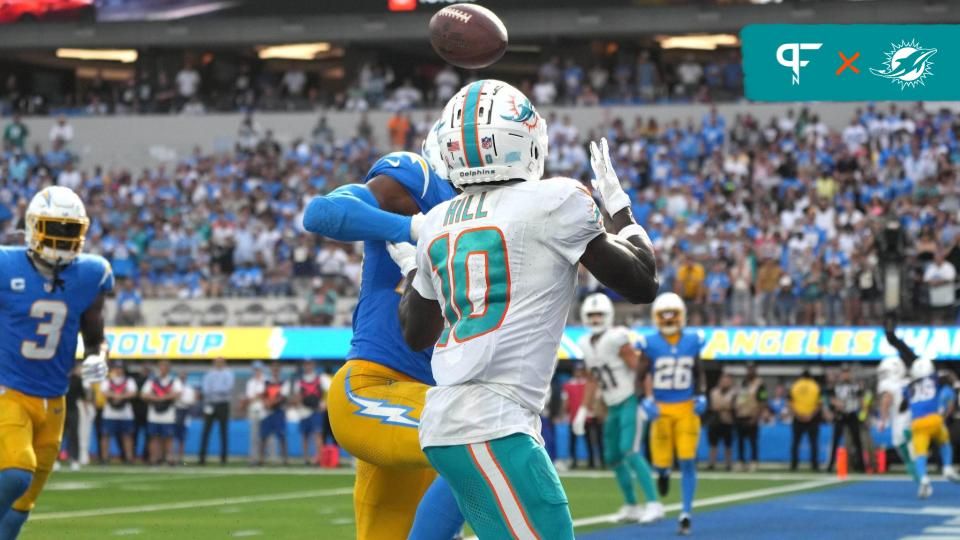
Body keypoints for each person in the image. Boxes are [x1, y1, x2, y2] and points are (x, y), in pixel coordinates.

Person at [394, 80, 658, 539]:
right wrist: (619, 209)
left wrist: (416, 270)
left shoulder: (436, 221)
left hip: (447, 425)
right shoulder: (554, 200)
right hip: (494, 422)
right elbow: (642, 282)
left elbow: (415, 332)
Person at [302, 111, 463, 538]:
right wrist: (412, 227)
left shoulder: (503, 215)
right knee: (475, 449)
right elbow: (322, 213)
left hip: (433, 395)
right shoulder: (419, 183)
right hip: (375, 386)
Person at [0, 186, 112, 539]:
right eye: (54, 228)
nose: (63, 238)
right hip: (9, 390)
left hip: (55, 399)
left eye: (70, 230)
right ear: (35, 227)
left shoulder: (90, 274)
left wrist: (99, 357)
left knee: (22, 505)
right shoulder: (6, 265)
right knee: (17, 473)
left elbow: (95, 338)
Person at [574, 293, 663, 524]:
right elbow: (593, 379)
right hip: (611, 405)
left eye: (599, 315)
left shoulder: (617, 338)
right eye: (591, 315)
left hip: (629, 400)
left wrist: (650, 398)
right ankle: (632, 505)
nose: (595, 319)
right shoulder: (584, 342)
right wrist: (584, 409)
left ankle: (654, 503)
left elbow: (639, 368)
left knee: (629, 450)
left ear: (608, 315)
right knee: (612, 456)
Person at [637, 292, 706, 536]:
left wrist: (701, 394)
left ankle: (686, 513)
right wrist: (644, 400)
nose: (668, 319)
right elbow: (641, 375)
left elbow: (698, 371)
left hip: (686, 407)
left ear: (681, 316)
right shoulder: (649, 343)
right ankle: (664, 472)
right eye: (663, 315)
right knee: (661, 462)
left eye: (672, 314)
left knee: (687, 459)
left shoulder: (692, 340)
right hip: (661, 410)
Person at [906, 357, 960, 497]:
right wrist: (956, 385)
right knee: (944, 442)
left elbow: (904, 405)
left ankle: (924, 480)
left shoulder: (909, 386)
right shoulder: (934, 379)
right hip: (934, 419)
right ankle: (947, 467)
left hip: (917, 423)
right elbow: (947, 375)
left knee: (920, 454)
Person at [141, 360, 182, 466]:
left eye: (165, 367)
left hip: (168, 413)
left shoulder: (174, 380)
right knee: (154, 437)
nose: (163, 369)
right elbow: (144, 394)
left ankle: (168, 457)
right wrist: (157, 397)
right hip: (154, 413)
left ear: (168, 369)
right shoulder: (152, 380)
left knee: (168, 437)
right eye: (161, 367)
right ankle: (154, 458)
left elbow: (177, 394)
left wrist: (163, 397)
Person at [826, 365, 865, 473]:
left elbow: (861, 399)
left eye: (847, 373)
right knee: (835, 441)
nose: (846, 375)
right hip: (840, 415)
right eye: (844, 373)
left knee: (857, 441)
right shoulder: (836, 386)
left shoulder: (855, 386)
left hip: (852, 414)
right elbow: (831, 399)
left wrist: (862, 413)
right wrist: (837, 405)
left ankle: (861, 465)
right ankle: (831, 465)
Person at [199, 357, 234, 465]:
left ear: (224, 363)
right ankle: (202, 457)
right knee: (206, 431)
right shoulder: (209, 374)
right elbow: (205, 389)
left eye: (220, 362)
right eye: (217, 362)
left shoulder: (228, 374)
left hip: (223, 404)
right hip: (210, 404)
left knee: (223, 431)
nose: (218, 364)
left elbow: (227, 389)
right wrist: (216, 391)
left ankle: (223, 458)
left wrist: (214, 391)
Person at [101, 361, 136, 463]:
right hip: (109, 413)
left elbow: (133, 393)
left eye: (120, 368)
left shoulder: (129, 380)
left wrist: (118, 396)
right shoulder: (108, 380)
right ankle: (104, 457)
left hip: (125, 413)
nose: (118, 370)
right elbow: (104, 392)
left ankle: (129, 458)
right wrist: (119, 395)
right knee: (106, 435)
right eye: (116, 368)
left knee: (127, 436)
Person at [734, 363, 766, 472]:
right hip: (741, 415)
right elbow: (740, 399)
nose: (749, 371)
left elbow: (762, 401)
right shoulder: (743, 383)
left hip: (752, 415)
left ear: (755, 370)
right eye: (748, 369)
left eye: (752, 369)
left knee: (753, 441)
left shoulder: (760, 384)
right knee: (740, 441)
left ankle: (754, 462)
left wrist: (756, 417)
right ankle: (741, 461)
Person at [789, 369, 821, 472]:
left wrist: (798, 415)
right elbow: (819, 403)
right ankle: (814, 465)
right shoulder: (815, 386)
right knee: (813, 443)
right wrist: (810, 415)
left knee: (795, 443)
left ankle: (794, 465)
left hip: (798, 418)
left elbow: (790, 403)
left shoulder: (795, 386)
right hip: (812, 418)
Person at [295, 360, 325, 466]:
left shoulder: (320, 378)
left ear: (313, 365)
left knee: (317, 435)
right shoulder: (300, 380)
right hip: (304, 411)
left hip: (315, 411)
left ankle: (319, 458)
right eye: (306, 364)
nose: (308, 366)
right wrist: (299, 406)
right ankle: (306, 459)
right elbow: (297, 395)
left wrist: (323, 403)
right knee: (305, 436)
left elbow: (328, 391)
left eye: (310, 364)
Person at [260, 362, 289, 465]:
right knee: (263, 436)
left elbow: (283, 396)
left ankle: (285, 459)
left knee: (281, 435)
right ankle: (261, 459)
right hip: (267, 412)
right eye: (273, 368)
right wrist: (266, 403)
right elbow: (262, 394)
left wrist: (271, 403)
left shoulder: (284, 382)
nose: (275, 370)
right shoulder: (266, 382)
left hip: (278, 411)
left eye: (277, 368)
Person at [707, 371, 736, 471]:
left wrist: (723, 406)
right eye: (723, 380)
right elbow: (713, 405)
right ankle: (712, 463)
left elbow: (732, 406)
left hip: (727, 421)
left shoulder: (733, 393)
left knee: (728, 444)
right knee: (713, 444)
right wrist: (723, 406)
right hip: (715, 421)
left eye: (727, 380)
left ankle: (728, 464)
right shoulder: (714, 392)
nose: (725, 382)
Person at [243, 361, 267, 465]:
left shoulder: (266, 381)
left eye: (259, 369)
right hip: (253, 410)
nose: (257, 371)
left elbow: (264, 396)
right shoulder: (250, 382)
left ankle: (263, 458)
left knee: (264, 436)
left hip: (264, 410)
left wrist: (257, 396)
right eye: (255, 369)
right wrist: (258, 396)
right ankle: (253, 458)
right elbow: (250, 397)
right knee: (254, 436)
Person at [173, 370, 197, 465]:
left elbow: (192, 401)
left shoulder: (189, 388)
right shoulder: (174, 386)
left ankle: (180, 458)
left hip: (185, 412)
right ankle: (172, 458)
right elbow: (177, 399)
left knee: (182, 437)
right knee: (173, 436)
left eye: (184, 375)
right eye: (181, 375)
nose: (183, 377)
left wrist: (182, 401)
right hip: (176, 411)